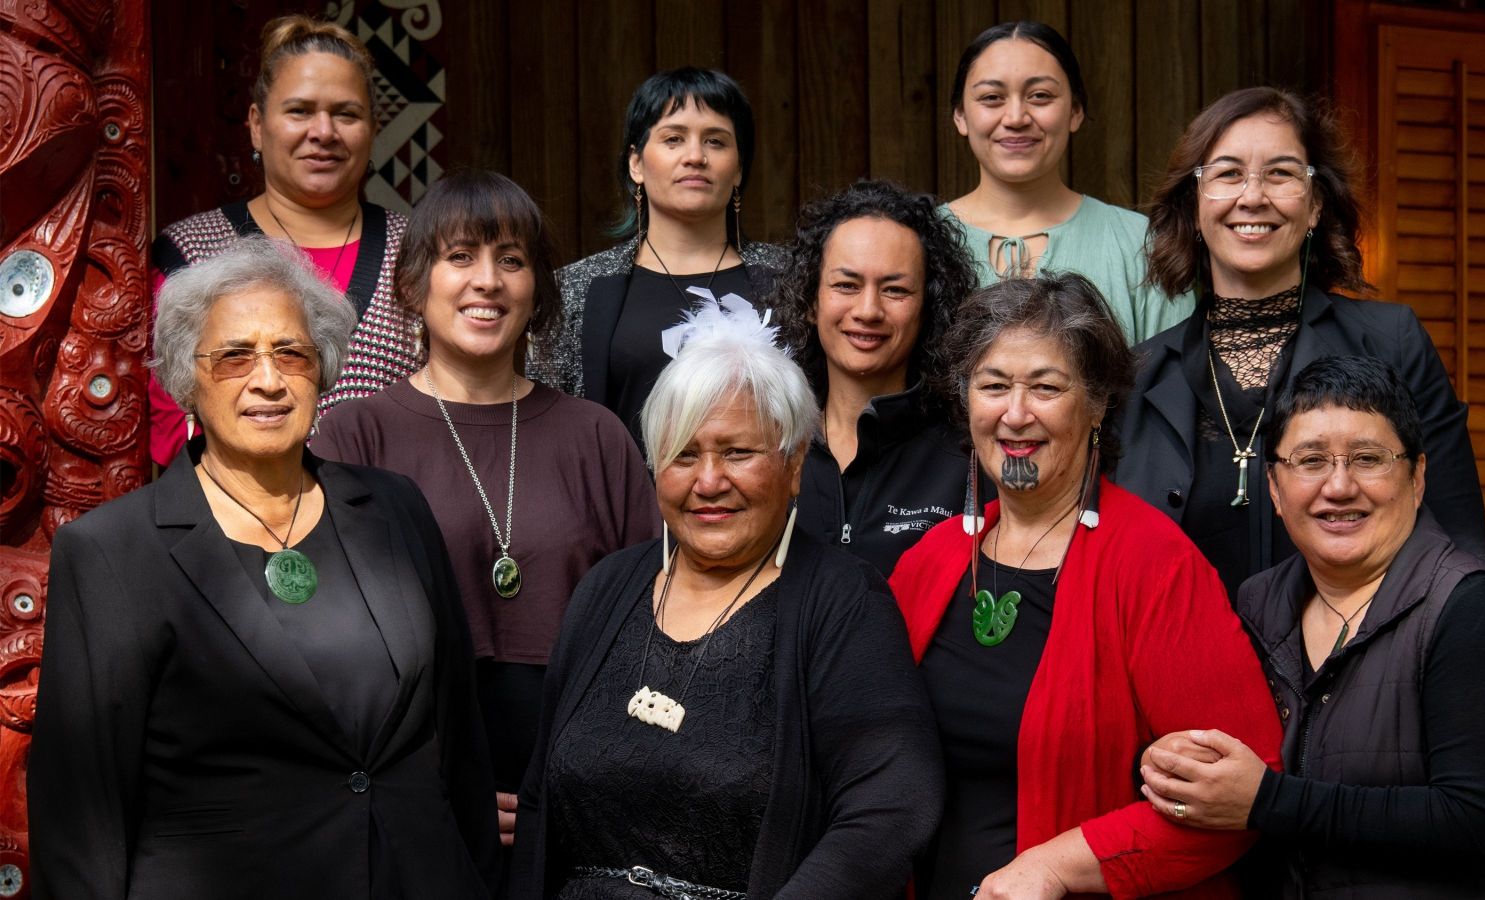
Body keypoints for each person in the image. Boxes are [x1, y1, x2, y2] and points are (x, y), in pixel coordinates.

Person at [29, 237, 496, 899]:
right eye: (234, 357)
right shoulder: (114, 551)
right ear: (187, 378)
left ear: (323, 369)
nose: (269, 380)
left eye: (291, 353)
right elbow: (82, 812)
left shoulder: (394, 509)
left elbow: (459, 741)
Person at [511, 296, 942, 899]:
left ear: (794, 465)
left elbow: (891, 807)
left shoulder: (843, 603)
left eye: (737, 452)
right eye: (683, 455)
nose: (708, 481)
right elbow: (540, 802)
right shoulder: (606, 590)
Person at [889, 275, 1283, 898]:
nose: (1015, 414)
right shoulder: (927, 563)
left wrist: (1054, 868)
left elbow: (1241, 795)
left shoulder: (1155, 564)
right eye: (993, 386)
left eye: (1046, 387)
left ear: (1097, 404)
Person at [311, 170, 658, 853]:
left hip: (578, 789)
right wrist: (436, 783)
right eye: (460, 256)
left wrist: (576, 781)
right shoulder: (355, 436)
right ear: (413, 285)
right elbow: (324, 645)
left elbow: (653, 624)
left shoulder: (597, 437)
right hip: (409, 790)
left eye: (512, 259)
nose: (488, 281)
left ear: (537, 290)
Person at [1138, 355, 1485, 897]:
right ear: (1275, 489)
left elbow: (1471, 822)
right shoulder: (1258, 604)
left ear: (1417, 477)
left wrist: (1265, 802)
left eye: (1368, 458)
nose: (1339, 487)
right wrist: (1167, 766)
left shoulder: (1473, 608)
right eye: (1310, 461)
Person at [1116, 86, 1485, 598]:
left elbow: (1460, 541)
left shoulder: (1394, 340)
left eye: (1280, 173)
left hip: (1359, 665)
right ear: (1195, 205)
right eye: (1227, 174)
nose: (1253, 196)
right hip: (1181, 670)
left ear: (1314, 205)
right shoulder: (1136, 375)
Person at [147, 14, 413, 467]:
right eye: (300, 111)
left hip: (388, 522)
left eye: (345, 113)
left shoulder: (419, 253)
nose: (323, 132)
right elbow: (170, 428)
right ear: (256, 124)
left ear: (372, 128)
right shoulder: (191, 253)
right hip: (232, 525)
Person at [528, 67, 785, 447]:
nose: (695, 156)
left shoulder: (791, 278)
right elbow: (544, 430)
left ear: (739, 169)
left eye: (715, 141)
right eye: (674, 139)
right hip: (621, 505)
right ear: (636, 164)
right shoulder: (574, 289)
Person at [770, 179, 979, 576]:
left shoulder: (969, 453)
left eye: (895, 290)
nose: (868, 310)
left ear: (927, 308)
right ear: (810, 300)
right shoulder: (768, 441)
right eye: (846, 285)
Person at [941, 20, 1192, 345]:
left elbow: (1174, 386)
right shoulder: (921, 241)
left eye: (1040, 96)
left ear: (1075, 110)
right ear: (960, 115)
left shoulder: (1140, 246)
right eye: (992, 97)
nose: (1016, 117)